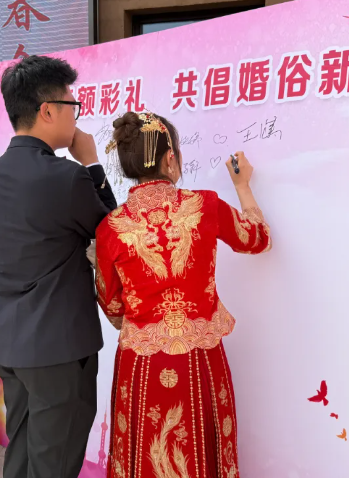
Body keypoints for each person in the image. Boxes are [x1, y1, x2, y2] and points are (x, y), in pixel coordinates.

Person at [95, 112, 272, 478]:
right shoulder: (204, 206)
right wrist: (242, 186)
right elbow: (258, 239)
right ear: (170, 157)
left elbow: (112, 306)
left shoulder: (111, 228)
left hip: (140, 364)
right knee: (200, 454)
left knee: (143, 455)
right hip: (199, 359)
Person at [0, 55, 117, 478]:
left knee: (22, 447)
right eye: (73, 106)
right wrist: (92, 163)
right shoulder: (66, 177)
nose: (76, 116)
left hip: (10, 340)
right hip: (59, 346)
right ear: (48, 111)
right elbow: (115, 233)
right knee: (55, 459)